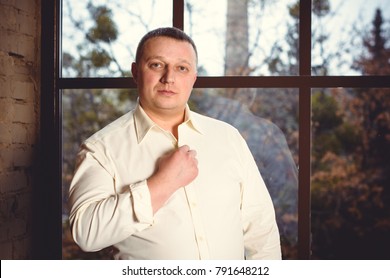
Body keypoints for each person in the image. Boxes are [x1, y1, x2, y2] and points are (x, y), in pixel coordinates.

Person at [68, 27, 281, 260]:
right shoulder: (101, 148)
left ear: (193, 78)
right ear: (135, 72)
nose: (169, 78)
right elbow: (86, 233)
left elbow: (262, 231)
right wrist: (162, 183)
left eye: (181, 68)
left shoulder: (228, 137)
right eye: (157, 64)